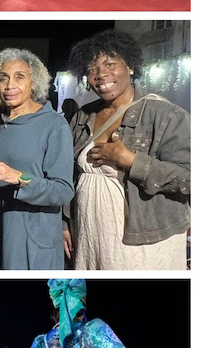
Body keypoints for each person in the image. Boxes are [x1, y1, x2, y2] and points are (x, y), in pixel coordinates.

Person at [64, 30, 190, 269]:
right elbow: (69, 174)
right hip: (91, 232)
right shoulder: (82, 116)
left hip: (144, 241)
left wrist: (132, 161)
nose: (101, 75)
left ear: (130, 66)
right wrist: (65, 223)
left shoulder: (165, 114)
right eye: (92, 69)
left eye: (110, 64)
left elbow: (189, 177)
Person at [0, 48, 74, 270]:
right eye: (3, 78)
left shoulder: (54, 126)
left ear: (34, 83)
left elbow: (63, 190)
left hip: (30, 241)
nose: (10, 85)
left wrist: (21, 178)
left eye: (19, 77)